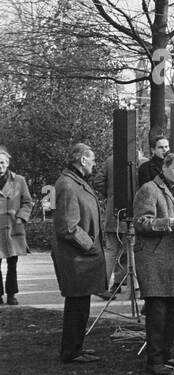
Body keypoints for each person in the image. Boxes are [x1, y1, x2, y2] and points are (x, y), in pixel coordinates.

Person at [133, 153, 174, 375]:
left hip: (169, 260)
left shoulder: (173, 193)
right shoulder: (149, 189)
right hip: (154, 261)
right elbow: (140, 222)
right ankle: (154, 360)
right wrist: (169, 222)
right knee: (158, 313)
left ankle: (165, 354)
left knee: (170, 313)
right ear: (165, 167)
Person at [51, 144, 106, 362]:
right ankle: (71, 352)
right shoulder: (67, 184)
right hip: (76, 258)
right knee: (77, 306)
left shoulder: (73, 181)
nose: (94, 163)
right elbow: (67, 226)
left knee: (80, 305)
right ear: (82, 160)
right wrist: (90, 245)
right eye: (92, 159)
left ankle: (75, 348)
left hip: (79, 258)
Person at [0, 146, 34, 305]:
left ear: (7, 163)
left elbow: (27, 202)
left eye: (2, 162)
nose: (0, 166)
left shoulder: (19, 180)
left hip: (13, 227)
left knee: (12, 264)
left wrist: (21, 217)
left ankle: (12, 294)